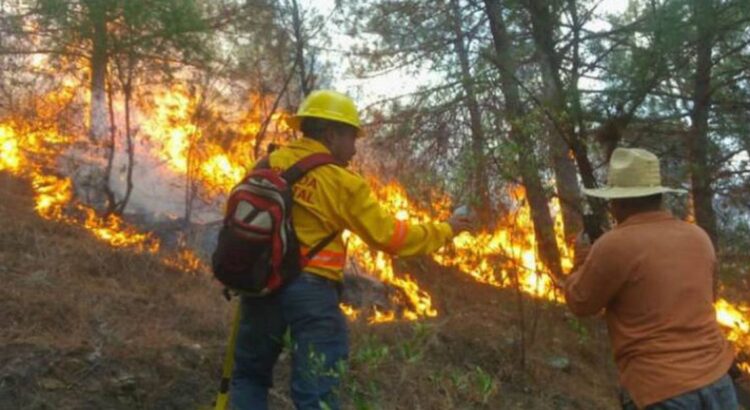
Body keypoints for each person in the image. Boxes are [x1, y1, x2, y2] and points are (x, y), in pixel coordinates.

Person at [230, 90, 474, 410]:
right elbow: (391, 237)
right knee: (317, 391)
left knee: (249, 376)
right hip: (311, 294)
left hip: (261, 286)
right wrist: (447, 229)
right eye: (352, 137)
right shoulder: (343, 181)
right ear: (331, 134)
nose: (355, 148)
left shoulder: (268, 163)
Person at [564, 147, 737, 410]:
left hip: (660, 389)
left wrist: (580, 263)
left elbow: (580, 303)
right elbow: (706, 299)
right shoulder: (698, 237)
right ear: (658, 197)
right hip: (718, 381)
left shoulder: (614, 244)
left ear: (618, 202)